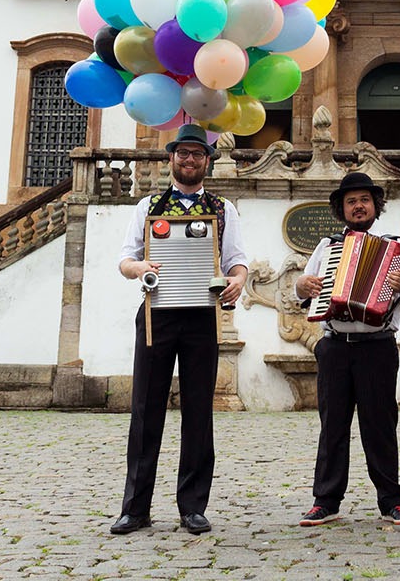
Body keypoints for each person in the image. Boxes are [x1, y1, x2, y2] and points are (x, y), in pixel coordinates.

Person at [111, 123, 247, 536]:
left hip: (202, 316)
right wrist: (141, 268)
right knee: (145, 410)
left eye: (197, 154)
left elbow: (237, 261)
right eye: (182, 154)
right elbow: (125, 260)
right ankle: (136, 509)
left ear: (207, 161)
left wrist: (238, 281)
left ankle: (193, 506)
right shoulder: (148, 206)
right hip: (158, 313)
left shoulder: (224, 209)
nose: (189, 160)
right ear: (171, 159)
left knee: (199, 411)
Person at [293, 172, 400, 527]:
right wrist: (302, 285)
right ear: (342, 208)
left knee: (380, 424)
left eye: (364, 200)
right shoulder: (327, 247)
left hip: (377, 345)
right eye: (351, 201)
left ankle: (392, 501)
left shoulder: (399, 247)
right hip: (335, 345)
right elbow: (304, 290)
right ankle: (326, 500)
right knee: (332, 425)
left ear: (375, 206)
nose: (358, 206)